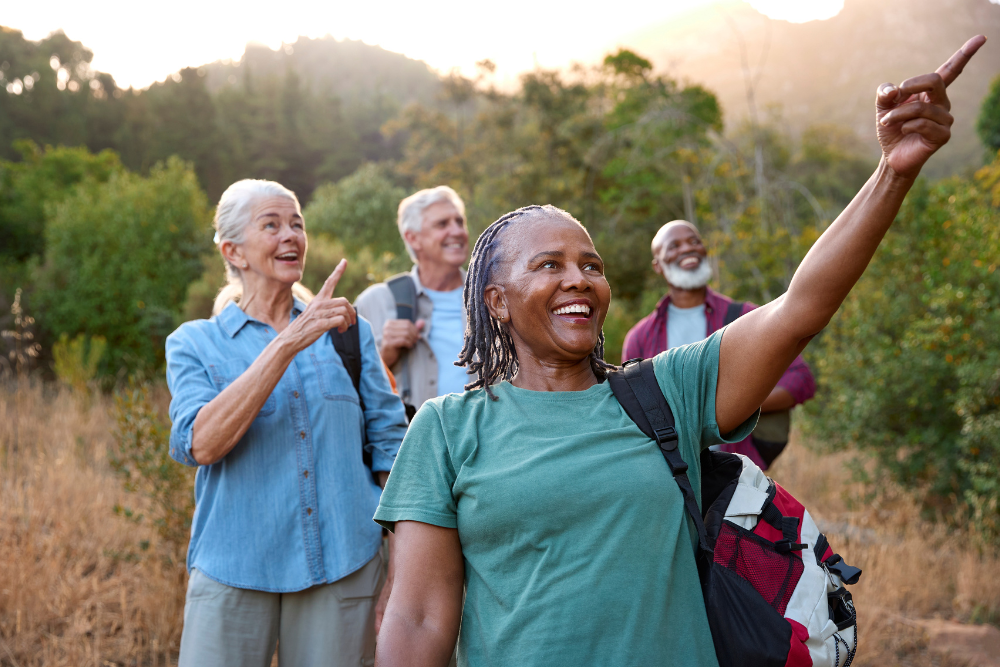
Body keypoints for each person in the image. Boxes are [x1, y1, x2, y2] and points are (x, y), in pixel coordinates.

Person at [371, 37, 985, 667]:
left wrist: (894, 171)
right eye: (549, 265)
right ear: (496, 302)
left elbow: (800, 308)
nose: (579, 279)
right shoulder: (446, 430)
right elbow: (418, 616)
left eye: (592, 264)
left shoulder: (665, 393)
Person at [165, 179, 407, 667]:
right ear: (234, 250)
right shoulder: (194, 343)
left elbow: (389, 441)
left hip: (344, 563)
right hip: (233, 567)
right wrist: (287, 343)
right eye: (271, 225)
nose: (290, 235)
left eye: (297, 223)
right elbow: (202, 444)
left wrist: (401, 560)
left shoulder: (346, 330)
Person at [621, 220, 815, 468]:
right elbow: (633, 412)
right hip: (670, 475)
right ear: (657, 265)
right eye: (674, 245)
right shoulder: (640, 337)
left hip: (737, 473)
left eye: (694, 241)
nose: (687, 249)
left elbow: (801, 379)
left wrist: (734, 405)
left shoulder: (745, 317)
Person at [355, 186, 470, 414]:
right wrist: (386, 355)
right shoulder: (374, 302)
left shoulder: (494, 297)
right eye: (442, 224)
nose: (457, 231)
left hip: (490, 444)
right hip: (413, 446)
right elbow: (346, 389)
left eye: (460, 221)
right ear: (413, 238)